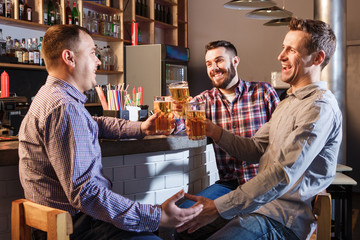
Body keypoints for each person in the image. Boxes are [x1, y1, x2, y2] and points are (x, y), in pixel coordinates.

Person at [18, 24, 202, 240]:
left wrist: (142, 128)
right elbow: (85, 194)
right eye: (93, 53)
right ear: (69, 58)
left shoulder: (52, 96)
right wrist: (156, 215)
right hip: (77, 227)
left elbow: (94, 123)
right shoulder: (64, 108)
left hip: (66, 222)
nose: (98, 61)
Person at [176, 18, 342, 240]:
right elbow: (255, 148)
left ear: (318, 58)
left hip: (282, 217)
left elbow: (282, 174)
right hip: (256, 204)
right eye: (283, 47)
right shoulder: (289, 101)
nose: (280, 55)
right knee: (181, 229)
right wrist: (214, 131)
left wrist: (218, 207)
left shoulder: (319, 108)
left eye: (290, 49)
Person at [176, 40, 279, 208]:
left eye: (219, 60)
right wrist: (177, 113)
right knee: (184, 212)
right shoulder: (203, 101)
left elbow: (285, 136)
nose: (213, 68)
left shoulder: (263, 93)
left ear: (235, 61)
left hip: (264, 182)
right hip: (229, 185)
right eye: (209, 64)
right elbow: (177, 125)